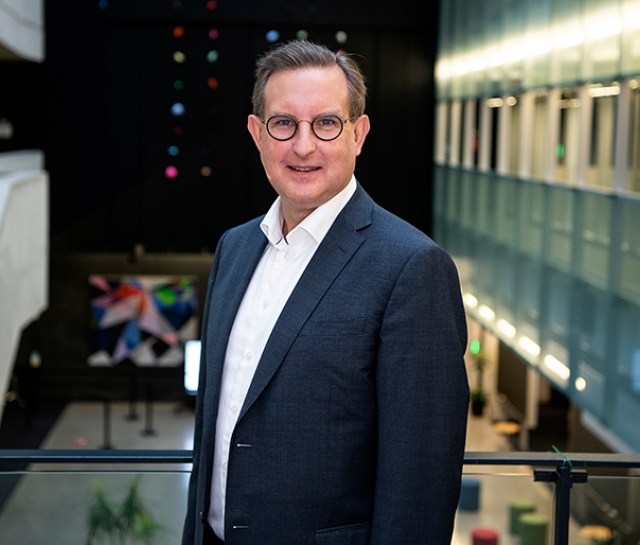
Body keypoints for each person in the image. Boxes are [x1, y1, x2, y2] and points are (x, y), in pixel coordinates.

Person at [182, 40, 469, 545]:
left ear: (358, 134)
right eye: (284, 123)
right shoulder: (234, 248)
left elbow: (420, 480)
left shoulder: (413, 268)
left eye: (326, 124)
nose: (303, 145)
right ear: (257, 133)